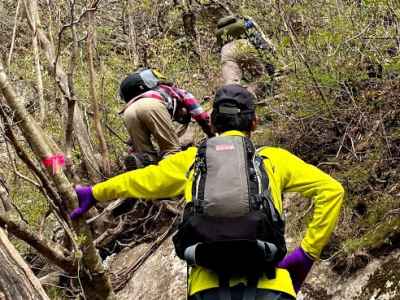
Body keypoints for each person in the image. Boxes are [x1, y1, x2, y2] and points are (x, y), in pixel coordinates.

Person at [70, 84, 344, 300]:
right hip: (272, 285)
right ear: (254, 123)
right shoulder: (273, 159)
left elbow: (141, 180)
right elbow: (331, 191)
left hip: (207, 288)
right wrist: (306, 253)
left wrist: (94, 193)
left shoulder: (191, 160)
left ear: (213, 124)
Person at [118, 68, 213, 169]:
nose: (179, 118)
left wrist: (133, 149)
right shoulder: (177, 91)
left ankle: (142, 161)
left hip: (128, 112)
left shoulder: (149, 93)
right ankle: (172, 177)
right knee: (171, 150)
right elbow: (201, 115)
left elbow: (134, 138)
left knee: (145, 154)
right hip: (152, 105)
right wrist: (212, 134)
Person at [216, 15, 277, 97]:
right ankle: (251, 96)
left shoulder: (220, 34)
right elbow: (259, 43)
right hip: (243, 45)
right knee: (260, 76)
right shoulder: (246, 25)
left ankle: (233, 103)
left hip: (225, 51)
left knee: (231, 84)